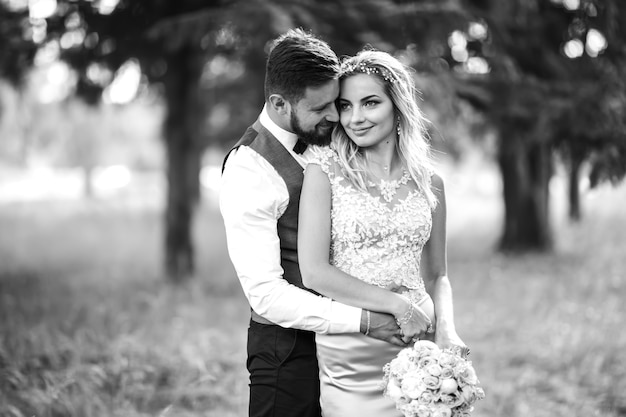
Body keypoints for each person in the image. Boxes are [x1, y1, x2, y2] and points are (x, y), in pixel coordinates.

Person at [220, 30, 425, 417]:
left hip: (363, 347)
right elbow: (265, 294)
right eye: (321, 109)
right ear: (280, 104)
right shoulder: (248, 169)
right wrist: (364, 321)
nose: (336, 117)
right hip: (288, 349)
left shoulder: (336, 133)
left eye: (336, 104)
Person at [298, 49, 468, 416]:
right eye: (345, 106)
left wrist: (447, 331)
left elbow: (438, 274)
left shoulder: (430, 182)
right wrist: (398, 307)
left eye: (370, 103)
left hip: (420, 344)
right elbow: (314, 272)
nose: (355, 118)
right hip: (353, 349)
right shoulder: (323, 172)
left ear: (397, 105)